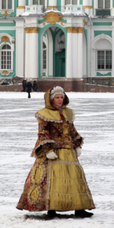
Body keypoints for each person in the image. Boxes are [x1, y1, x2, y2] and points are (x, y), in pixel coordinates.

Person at [17, 86, 95, 218]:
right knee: (52, 180)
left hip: (68, 151)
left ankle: (79, 208)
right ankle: (51, 209)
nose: (60, 100)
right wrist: (47, 149)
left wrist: (77, 144)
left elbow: (72, 130)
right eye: (57, 98)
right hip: (54, 151)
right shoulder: (44, 114)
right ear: (51, 99)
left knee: (74, 178)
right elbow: (43, 132)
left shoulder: (68, 112)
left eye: (61, 97)